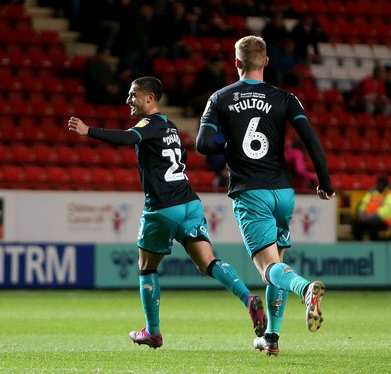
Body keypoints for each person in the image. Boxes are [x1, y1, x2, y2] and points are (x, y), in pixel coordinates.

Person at [68, 76, 267, 349]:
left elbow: (128, 138)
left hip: (162, 207)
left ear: (150, 98)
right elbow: (181, 160)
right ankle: (247, 298)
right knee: (207, 262)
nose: (129, 100)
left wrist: (88, 130)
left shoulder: (147, 125)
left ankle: (153, 331)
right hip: (190, 203)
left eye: (133, 94)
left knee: (146, 267)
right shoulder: (171, 127)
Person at [196, 35, 335, 356]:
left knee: (268, 267)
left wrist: (227, 145)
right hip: (283, 193)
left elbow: (203, 144)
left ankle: (306, 288)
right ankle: (271, 337)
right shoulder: (285, 98)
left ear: (236, 63)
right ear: (267, 61)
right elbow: (311, 140)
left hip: (251, 191)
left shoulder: (220, 98)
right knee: (278, 264)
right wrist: (325, 182)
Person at [351, 174, 391, 241]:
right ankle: (357, 244)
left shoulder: (389, 194)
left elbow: (386, 210)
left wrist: (370, 217)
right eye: (379, 183)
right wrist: (362, 214)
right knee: (355, 222)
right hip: (368, 218)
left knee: (373, 225)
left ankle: (374, 245)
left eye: (382, 183)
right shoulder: (371, 193)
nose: (379, 185)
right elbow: (363, 204)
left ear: (386, 185)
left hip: (384, 220)